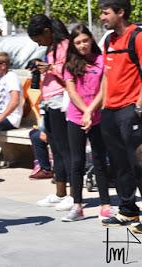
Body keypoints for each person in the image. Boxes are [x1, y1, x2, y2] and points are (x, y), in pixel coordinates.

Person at [96, 0, 142, 228]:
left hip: (130, 110)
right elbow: (107, 75)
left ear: (120, 12)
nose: (102, 18)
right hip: (110, 112)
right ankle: (128, 210)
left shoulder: (138, 37)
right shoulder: (109, 40)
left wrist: (139, 108)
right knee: (119, 164)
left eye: (105, 13)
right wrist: (103, 104)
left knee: (138, 163)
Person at [60, 24, 112, 222]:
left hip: (97, 116)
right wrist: (84, 112)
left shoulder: (101, 60)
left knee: (99, 159)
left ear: (91, 39)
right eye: (78, 42)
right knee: (77, 161)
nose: (82, 45)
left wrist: (91, 111)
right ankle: (77, 206)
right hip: (76, 118)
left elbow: (104, 89)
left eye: (85, 40)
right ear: (73, 45)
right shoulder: (70, 65)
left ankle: (105, 205)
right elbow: (71, 92)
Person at [27, 14, 73, 211]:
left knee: (65, 149)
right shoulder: (52, 47)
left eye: (39, 40)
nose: (39, 44)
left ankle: (74, 194)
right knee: (55, 148)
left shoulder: (65, 45)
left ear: (47, 32)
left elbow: (73, 71)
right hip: (49, 101)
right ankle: (60, 192)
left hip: (61, 100)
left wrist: (51, 67)